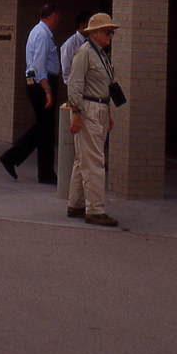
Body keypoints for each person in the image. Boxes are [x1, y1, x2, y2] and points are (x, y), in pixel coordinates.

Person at [67, 12, 121, 227]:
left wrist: (107, 114)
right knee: (95, 161)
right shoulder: (85, 53)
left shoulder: (101, 54)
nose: (110, 36)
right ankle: (96, 210)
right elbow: (75, 84)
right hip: (89, 108)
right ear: (95, 32)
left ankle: (77, 204)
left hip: (98, 107)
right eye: (108, 32)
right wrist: (76, 113)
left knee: (84, 159)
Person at [0, 3, 61, 184]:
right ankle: (36, 168)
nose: (59, 20)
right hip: (41, 82)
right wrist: (47, 90)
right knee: (45, 128)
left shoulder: (38, 32)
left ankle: (23, 162)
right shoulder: (42, 34)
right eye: (58, 16)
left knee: (43, 127)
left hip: (37, 82)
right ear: (54, 15)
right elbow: (39, 65)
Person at [60, 11, 91, 85]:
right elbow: (66, 70)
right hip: (76, 86)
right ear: (81, 24)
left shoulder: (92, 42)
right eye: (88, 23)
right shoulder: (69, 45)